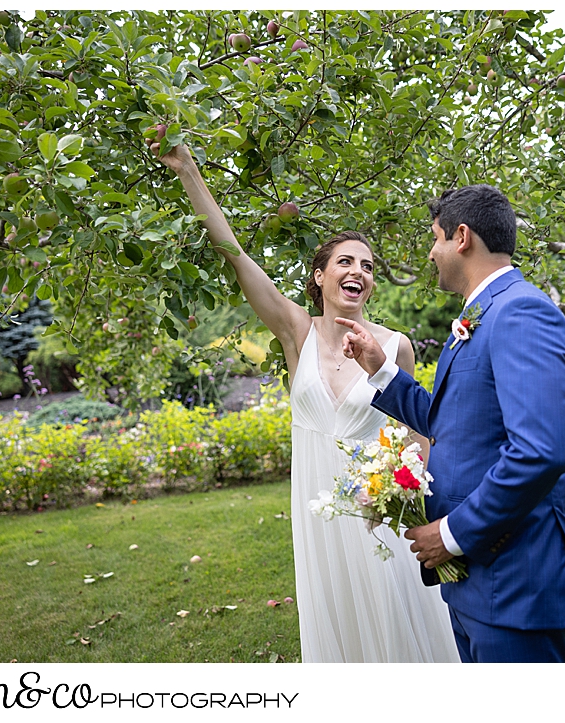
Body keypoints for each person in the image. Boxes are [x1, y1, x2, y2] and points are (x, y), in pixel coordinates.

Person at [149, 139, 459, 663]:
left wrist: (423, 510)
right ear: (320, 277)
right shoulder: (297, 331)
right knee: (335, 615)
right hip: (317, 506)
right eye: (344, 261)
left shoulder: (395, 345)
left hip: (378, 510)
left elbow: (417, 437)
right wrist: (188, 174)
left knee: (394, 613)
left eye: (366, 264)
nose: (357, 270)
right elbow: (235, 254)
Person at [336, 184, 565, 663]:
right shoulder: (480, 315)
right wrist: (380, 369)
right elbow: (450, 423)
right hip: (476, 581)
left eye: (434, 240)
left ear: (460, 237)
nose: (431, 254)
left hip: (515, 582)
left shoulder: (521, 312)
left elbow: (541, 452)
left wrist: (449, 534)